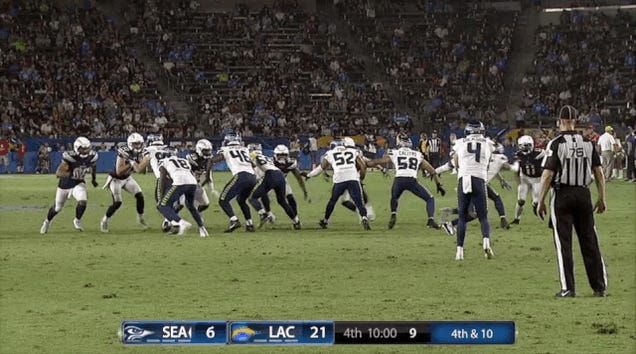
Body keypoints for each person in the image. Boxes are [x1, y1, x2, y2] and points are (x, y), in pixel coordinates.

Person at [537, 105, 608, 298]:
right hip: (584, 194)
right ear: (575, 121)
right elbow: (599, 173)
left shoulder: (556, 143)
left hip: (562, 195)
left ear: (560, 122)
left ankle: (568, 288)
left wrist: (540, 200)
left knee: (564, 243)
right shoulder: (588, 143)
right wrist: (602, 197)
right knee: (590, 241)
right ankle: (599, 287)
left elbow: (547, 174)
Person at [367, 137, 445, 230]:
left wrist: (367, 164)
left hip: (399, 180)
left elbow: (379, 161)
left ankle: (393, 214)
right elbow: (432, 170)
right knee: (430, 198)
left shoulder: (395, 152)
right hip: (412, 180)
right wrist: (438, 184)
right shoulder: (417, 154)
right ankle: (430, 220)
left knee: (394, 198)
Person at [303, 137, 370, 230]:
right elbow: (363, 166)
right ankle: (364, 217)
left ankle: (325, 221)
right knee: (359, 201)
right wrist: (361, 178)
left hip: (339, 179)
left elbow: (320, 169)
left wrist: (308, 175)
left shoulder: (330, 153)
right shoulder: (352, 151)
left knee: (332, 201)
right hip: (352, 177)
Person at [451, 121, 495, 260]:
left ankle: (459, 252)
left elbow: (456, 161)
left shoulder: (460, 142)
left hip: (464, 178)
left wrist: (461, 169)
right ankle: (486, 243)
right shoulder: (488, 143)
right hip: (479, 178)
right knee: (483, 217)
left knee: (463, 217)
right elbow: (488, 162)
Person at [40, 137, 98, 234]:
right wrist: (71, 174)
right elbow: (58, 173)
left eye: (87, 148)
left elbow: (93, 166)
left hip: (78, 183)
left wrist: (93, 179)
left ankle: (77, 220)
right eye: (83, 149)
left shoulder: (92, 156)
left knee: (83, 201)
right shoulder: (70, 157)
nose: (85, 151)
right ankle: (47, 222)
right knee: (57, 208)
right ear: (76, 148)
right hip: (65, 184)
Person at [100, 133, 148, 233]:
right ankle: (104, 220)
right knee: (118, 202)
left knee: (140, 196)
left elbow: (142, 171)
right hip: (116, 179)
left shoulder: (142, 152)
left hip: (127, 178)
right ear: (130, 144)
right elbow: (119, 171)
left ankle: (140, 218)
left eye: (139, 144)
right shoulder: (123, 151)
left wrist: (142, 165)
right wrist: (131, 163)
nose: (138, 146)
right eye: (135, 144)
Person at [210, 132, 257, 232]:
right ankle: (249, 224)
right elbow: (253, 164)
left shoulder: (225, 149)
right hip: (252, 177)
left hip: (241, 176)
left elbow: (215, 160)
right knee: (241, 200)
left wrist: (210, 162)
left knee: (223, 200)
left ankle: (234, 220)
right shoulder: (245, 149)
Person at [247, 143, 302, 229]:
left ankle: (263, 214)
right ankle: (296, 221)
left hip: (271, 176)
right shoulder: (265, 157)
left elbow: (258, 176)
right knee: (282, 201)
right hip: (280, 176)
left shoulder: (252, 156)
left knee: (252, 198)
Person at [157, 153, 208, 237]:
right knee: (191, 206)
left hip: (180, 182)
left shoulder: (164, 161)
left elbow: (162, 179)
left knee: (162, 205)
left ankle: (181, 222)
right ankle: (202, 229)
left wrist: (161, 195)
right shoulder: (184, 160)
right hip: (192, 183)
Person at [512, 135, 545, 224]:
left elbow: (548, 155)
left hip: (537, 179)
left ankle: (534, 205)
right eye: (523, 146)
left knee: (536, 202)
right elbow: (517, 169)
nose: (525, 148)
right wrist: (518, 180)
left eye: (527, 145)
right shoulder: (518, 155)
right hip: (525, 179)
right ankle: (516, 219)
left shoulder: (540, 153)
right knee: (521, 201)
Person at [273, 144, 310, 217]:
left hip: (282, 181)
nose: (282, 157)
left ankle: (296, 219)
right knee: (263, 198)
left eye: (284, 155)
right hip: (268, 181)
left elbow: (298, 178)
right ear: (275, 155)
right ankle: (267, 214)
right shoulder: (270, 162)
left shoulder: (291, 163)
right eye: (280, 155)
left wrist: (304, 191)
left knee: (290, 198)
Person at [184, 138, 216, 212]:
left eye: (209, 150)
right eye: (205, 150)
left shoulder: (208, 159)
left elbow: (209, 174)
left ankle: (196, 215)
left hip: (196, 184)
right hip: (183, 183)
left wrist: (212, 189)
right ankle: (167, 220)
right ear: (199, 149)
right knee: (180, 204)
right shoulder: (191, 158)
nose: (208, 152)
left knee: (205, 204)